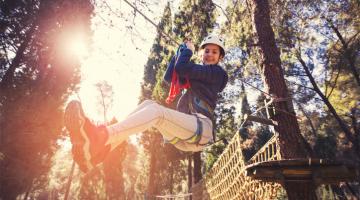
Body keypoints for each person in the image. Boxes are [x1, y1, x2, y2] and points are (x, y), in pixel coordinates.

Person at [64, 35, 228, 173]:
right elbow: (170, 76)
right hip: (185, 136)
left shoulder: (217, 74)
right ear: (202, 54)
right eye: (206, 51)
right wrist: (179, 53)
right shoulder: (198, 74)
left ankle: (101, 136)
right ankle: (101, 151)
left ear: (220, 57)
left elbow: (183, 68)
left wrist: (188, 51)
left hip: (201, 129)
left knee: (157, 112)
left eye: (214, 52)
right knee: (149, 103)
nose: (209, 54)